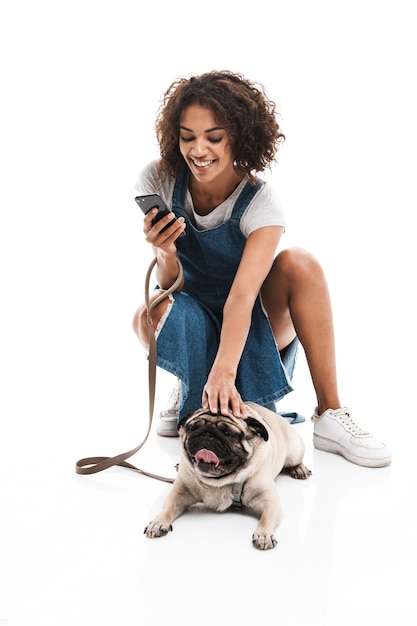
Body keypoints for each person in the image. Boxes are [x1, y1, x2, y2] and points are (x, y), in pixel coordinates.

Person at [132, 70, 391, 468]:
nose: (198, 150)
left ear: (238, 135)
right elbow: (170, 286)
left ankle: (330, 414)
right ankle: (191, 388)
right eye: (188, 136)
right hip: (195, 311)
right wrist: (165, 251)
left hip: (252, 317)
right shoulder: (160, 178)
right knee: (150, 313)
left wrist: (224, 371)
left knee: (300, 262)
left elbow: (242, 297)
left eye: (213, 137)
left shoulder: (260, 202)